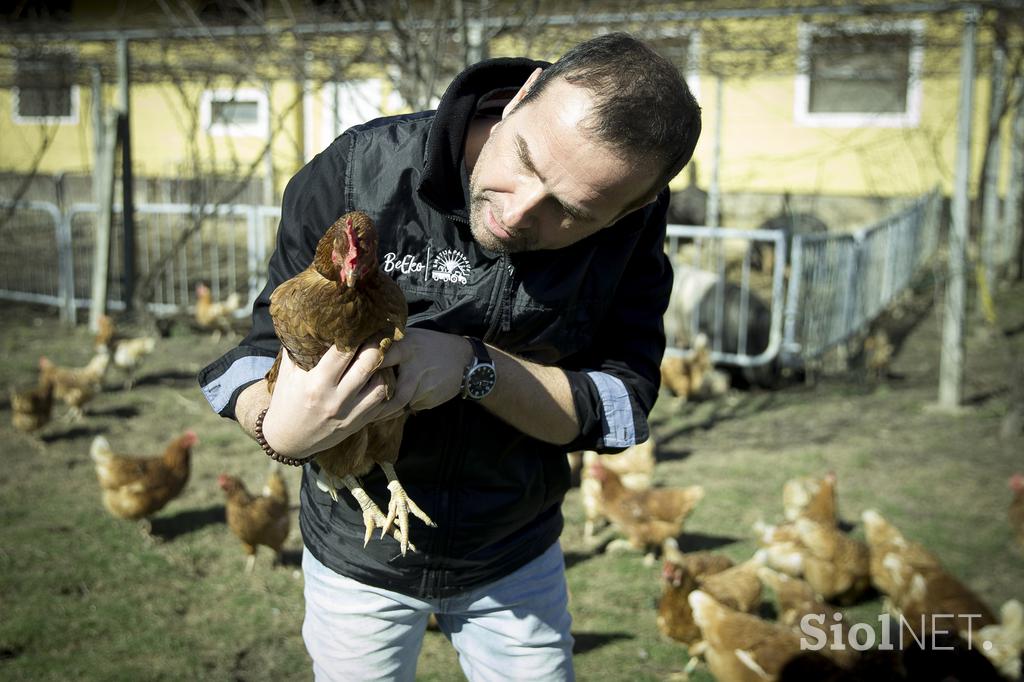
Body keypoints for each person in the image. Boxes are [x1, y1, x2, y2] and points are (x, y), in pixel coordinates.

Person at [198, 31, 701, 681]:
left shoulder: (631, 226)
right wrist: (274, 424)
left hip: (512, 556)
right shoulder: (360, 170)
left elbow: (619, 407)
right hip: (357, 555)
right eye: (525, 160)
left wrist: (473, 367)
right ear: (522, 95)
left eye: (572, 212)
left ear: (630, 210)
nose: (519, 213)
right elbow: (259, 346)